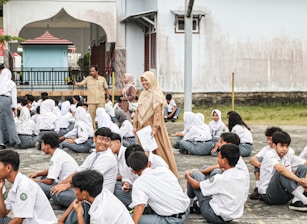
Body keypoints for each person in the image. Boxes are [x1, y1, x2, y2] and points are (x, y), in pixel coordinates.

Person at [50, 127, 117, 208]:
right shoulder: (94, 155)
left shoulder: (108, 158)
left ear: (110, 143)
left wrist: (67, 185)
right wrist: (61, 184)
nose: (103, 142)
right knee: (55, 189)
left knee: (56, 194)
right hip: (87, 191)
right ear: (94, 139)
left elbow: (91, 179)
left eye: (107, 140)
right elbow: (78, 172)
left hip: (97, 197)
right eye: (101, 139)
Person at [133, 71, 179, 177]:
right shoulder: (143, 94)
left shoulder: (156, 94)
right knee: (145, 152)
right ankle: (148, 175)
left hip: (154, 128)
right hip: (142, 127)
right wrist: (135, 125)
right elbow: (138, 111)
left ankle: (167, 175)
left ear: (152, 80)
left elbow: (158, 114)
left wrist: (154, 129)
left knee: (159, 150)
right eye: (142, 81)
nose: (144, 83)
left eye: (146, 80)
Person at [185, 144, 246, 223]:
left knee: (195, 174)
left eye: (219, 157)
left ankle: (188, 202)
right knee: (214, 170)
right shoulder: (241, 174)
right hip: (230, 216)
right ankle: (195, 202)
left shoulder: (220, 179)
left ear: (224, 160)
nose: (217, 159)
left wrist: (187, 175)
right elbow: (219, 169)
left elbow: (196, 186)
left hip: (213, 215)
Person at [128, 151, 190, 224]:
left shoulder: (139, 183)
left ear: (133, 171)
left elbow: (140, 206)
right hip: (186, 209)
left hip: (172, 220)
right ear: (149, 164)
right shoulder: (164, 170)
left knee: (129, 217)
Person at [0, 150, 57, 223]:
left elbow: (19, 219)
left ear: (8, 168)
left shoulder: (24, 186)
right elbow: (2, 214)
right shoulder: (15, 185)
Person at [257, 131, 307, 211]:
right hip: (270, 195)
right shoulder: (269, 155)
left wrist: (305, 179)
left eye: (287, 146)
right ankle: (304, 200)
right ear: (274, 145)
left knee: (303, 168)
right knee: (281, 172)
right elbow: (281, 169)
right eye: (282, 146)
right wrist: (299, 180)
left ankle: (296, 200)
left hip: (285, 195)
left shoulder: (288, 154)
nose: (285, 149)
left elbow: (305, 163)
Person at [60, 170, 133, 224]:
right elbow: (78, 199)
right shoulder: (102, 191)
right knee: (83, 204)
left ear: (84, 193)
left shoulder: (98, 216)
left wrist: (79, 214)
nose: (74, 191)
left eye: (75, 189)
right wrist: (61, 220)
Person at [28, 132, 79, 199]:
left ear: (48, 146)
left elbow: (49, 181)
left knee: (33, 185)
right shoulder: (59, 153)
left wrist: (35, 181)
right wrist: (37, 174)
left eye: (43, 144)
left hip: (66, 186)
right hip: (67, 182)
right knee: (43, 177)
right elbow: (51, 170)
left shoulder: (55, 158)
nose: (41, 147)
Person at [249, 126, 284, 200]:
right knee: (259, 160)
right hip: (267, 173)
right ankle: (258, 187)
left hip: (278, 174)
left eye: (270, 139)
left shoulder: (285, 150)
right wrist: (261, 165)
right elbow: (252, 160)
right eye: (267, 139)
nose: (268, 142)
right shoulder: (266, 149)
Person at [0, 64, 22, 149]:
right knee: (10, 121)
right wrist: (14, 107)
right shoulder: (11, 83)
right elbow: (13, 96)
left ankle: (1, 143)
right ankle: (15, 141)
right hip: (6, 100)